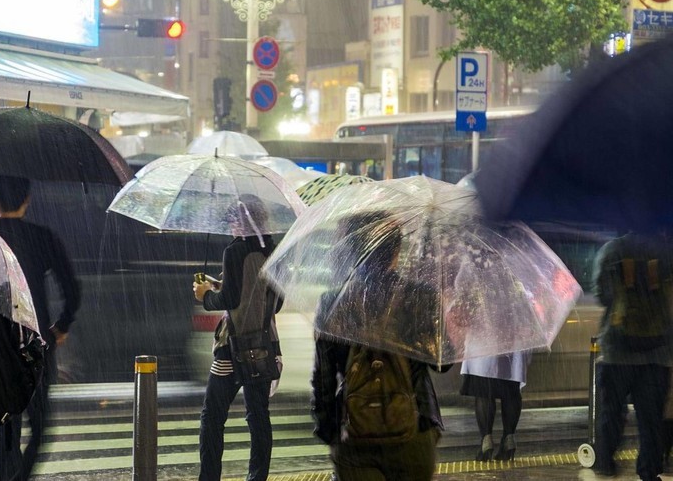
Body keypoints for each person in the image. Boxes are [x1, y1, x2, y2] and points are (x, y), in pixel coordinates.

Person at [311, 211, 451, 481]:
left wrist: (329, 430)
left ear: (352, 251)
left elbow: (324, 378)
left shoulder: (333, 301)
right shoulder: (421, 297)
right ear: (396, 250)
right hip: (414, 427)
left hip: (353, 432)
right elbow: (443, 363)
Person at [0, 173, 81, 481]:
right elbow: (72, 288)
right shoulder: (43, 237)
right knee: (40, 425)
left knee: (7, 423)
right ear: (27, 200)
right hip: (36, 341)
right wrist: (61, 326)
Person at [193, 194, 283, 481]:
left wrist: (205, 295)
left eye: (233, 218)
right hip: (263, 345)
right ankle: (257, 477)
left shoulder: (234, 251)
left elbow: (230, 298)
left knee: (212, 417)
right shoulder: (271, 248)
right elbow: (275, 301)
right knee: (258, 416)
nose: (230, 224)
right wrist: (221, 283)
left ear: (241, 221)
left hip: (233, 347)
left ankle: (209, 477)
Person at [591, 229, 673, 481]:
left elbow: (602, 296)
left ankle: (606, 461)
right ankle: (649, 471)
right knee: (651, 419)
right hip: (656, 351)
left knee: (612, 411)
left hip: (617, 349)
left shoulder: (611, 251)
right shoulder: (665, 253)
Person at [460, 351, 530, 461]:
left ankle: (486, 440)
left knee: (484, 390)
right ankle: (509, 438)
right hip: (513, 343)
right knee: (511, 389)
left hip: (483, 344)